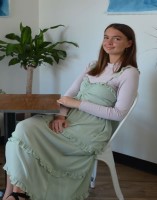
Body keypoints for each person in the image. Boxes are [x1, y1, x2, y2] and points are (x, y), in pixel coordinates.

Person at [3, 23, 139, 200]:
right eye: (106, 37)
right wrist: (61, 115)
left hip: (92, 128)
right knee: (22, 129)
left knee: (19, 137)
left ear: (129, 43)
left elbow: (118, 113)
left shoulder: (129, 73)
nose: (109, 42)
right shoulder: (93, 66)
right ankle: (15, 193)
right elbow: (69, 95)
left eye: (117, 38)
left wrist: (77, 103)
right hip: (71, 118)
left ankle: (15, 195)